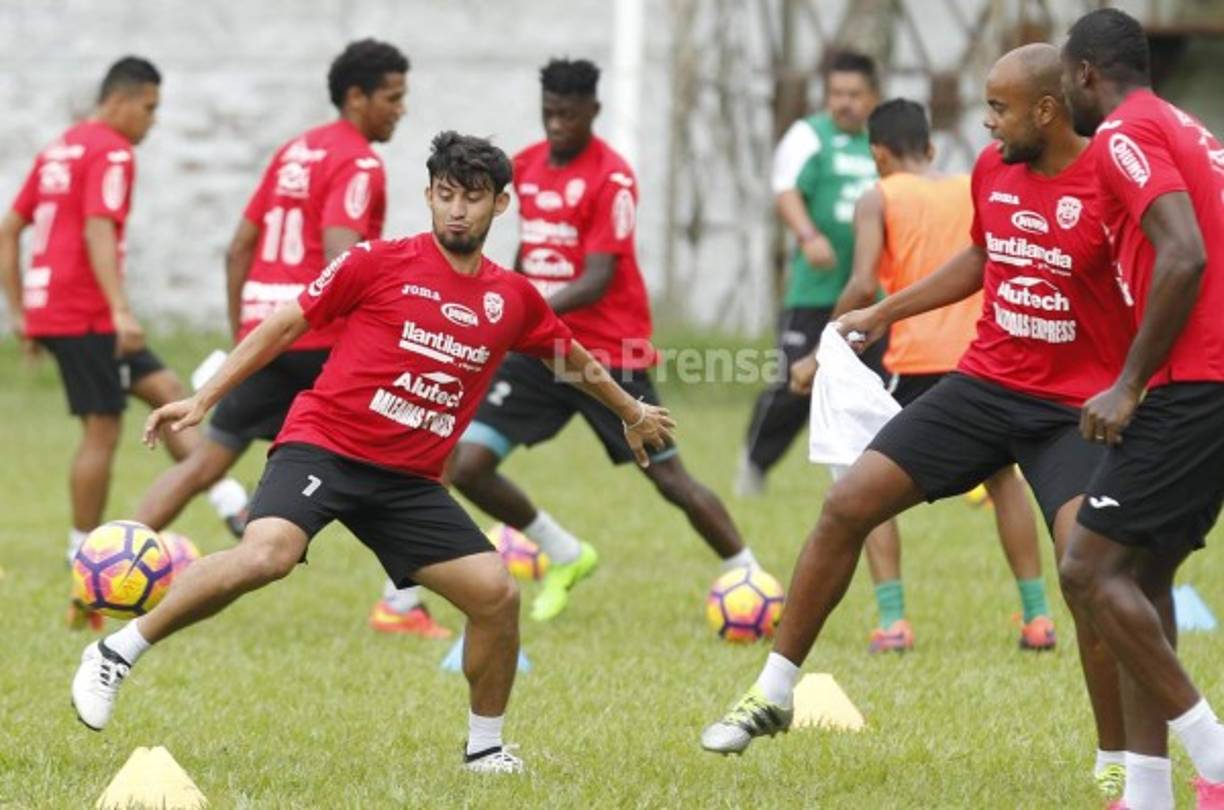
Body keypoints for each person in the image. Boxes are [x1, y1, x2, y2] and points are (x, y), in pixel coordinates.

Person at [70, 131, 676, 774]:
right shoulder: (376, 262)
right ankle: (117, 653)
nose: (458, 211)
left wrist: (631, 410)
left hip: (407, 482)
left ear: (501, 204)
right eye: (446, 195)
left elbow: (571, 356)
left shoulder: (513, 299)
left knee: (496, 596)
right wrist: (204, 399)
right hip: (324, 448)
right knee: (267, 555)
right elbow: (284, 324)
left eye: (473, 197)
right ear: (430, 196)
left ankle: (486, 749)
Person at [700, 44, 1137, 800]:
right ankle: (772, 692)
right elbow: (981, 258)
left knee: (1087, 573)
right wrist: (882, 309)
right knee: (846, 505)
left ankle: (1118, 758)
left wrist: (1134, 385)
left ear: (1047, 109)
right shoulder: (993, 170)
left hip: (1071, 411)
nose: (986, 121)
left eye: (999, 107)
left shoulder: (1110, 180)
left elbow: (1161, 280)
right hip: (984, 385)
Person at [123, 41, 446, 638]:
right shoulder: (357, 162)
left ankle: (105, 572)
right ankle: (399, 606)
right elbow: (342, 258)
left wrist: (243, 335)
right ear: (358, 97)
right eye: (393, 97)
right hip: (320, 338)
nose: (401, 110)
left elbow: (239, 246)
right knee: (421, 447)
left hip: (269, 328)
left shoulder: (296, 151)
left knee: (203, 464)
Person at [438, 58, 766, 623]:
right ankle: (565, 553)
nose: (556, 122)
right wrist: (511, 305)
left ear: (593, 110)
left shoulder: (612, 178)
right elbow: (529, 256)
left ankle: (750, 573)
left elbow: (597, 278)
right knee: (465, 464)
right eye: (548, 112)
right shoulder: (528, 167)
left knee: (668, 477)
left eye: (567, 113)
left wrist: (520, 313)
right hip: (540, 352)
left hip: (607, 355)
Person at [0, 56, 243, 630]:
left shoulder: (62, 147)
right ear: (123, 100)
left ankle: (233, 505)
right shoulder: (110, 149)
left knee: (167, 390)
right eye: (150, 108)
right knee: (102, 430)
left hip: (60, 309)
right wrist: (119, 310)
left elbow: (9, 229)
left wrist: (23, 312)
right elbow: (96, 228)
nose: (152, 122)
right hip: (87, 316)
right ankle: (83, 568)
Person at [1058, 9, 1224, 809]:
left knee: (1087, 569)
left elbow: (1185, 251)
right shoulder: (1183, 124)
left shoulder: (1125, 132)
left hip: (1193, 381)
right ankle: (1151, 792)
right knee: (1143, 576)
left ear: (1087, 72)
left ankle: (1216, 754)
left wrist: (1128, 381)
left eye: (1065, 79)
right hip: (1208, 379)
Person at [822, 98, 1052, 651]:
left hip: (918, 360)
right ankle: (1037, 618)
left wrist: (825, 344)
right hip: (984, 357)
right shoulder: (968, 184)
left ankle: (894, 622)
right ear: (929, 148)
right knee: (1005, 482)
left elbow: (859, 285)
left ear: (878, 154)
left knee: (865, 480)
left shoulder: (878, 196)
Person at [736, 50, 884, 497]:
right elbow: (785, 190)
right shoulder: (808, 135)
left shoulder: (883, 141)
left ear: (873, 97)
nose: (844, 103)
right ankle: (753, 464)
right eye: (836, 93)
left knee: (874, 385)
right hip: (814, 291)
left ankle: (865, 477)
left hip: (872, 295)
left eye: (854, 94)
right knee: (794, 381)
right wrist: (806, 235)